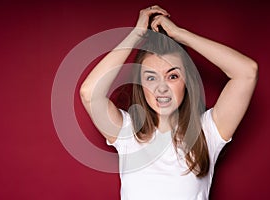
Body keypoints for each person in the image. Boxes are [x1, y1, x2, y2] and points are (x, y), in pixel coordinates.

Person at [80, 5, 258, 200]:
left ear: (187, 82)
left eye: (172, 76)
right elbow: (89, 93)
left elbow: (247, 72)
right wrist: (136, 35)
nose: (161, 88)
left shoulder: (207, 132)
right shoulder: (127, 133)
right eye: (150, 78)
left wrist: (180, 35)